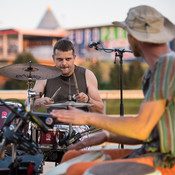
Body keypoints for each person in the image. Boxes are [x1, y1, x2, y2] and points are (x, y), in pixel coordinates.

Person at [50, 5, 175, 175]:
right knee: (70, 156)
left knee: (74, 170)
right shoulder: (155, 70)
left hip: (166, 161)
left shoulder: (167, 65)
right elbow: (149, 131)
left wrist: (87, 117)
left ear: (133, 37)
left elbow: (141, 127)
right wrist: (106, 136)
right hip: (151, 151)